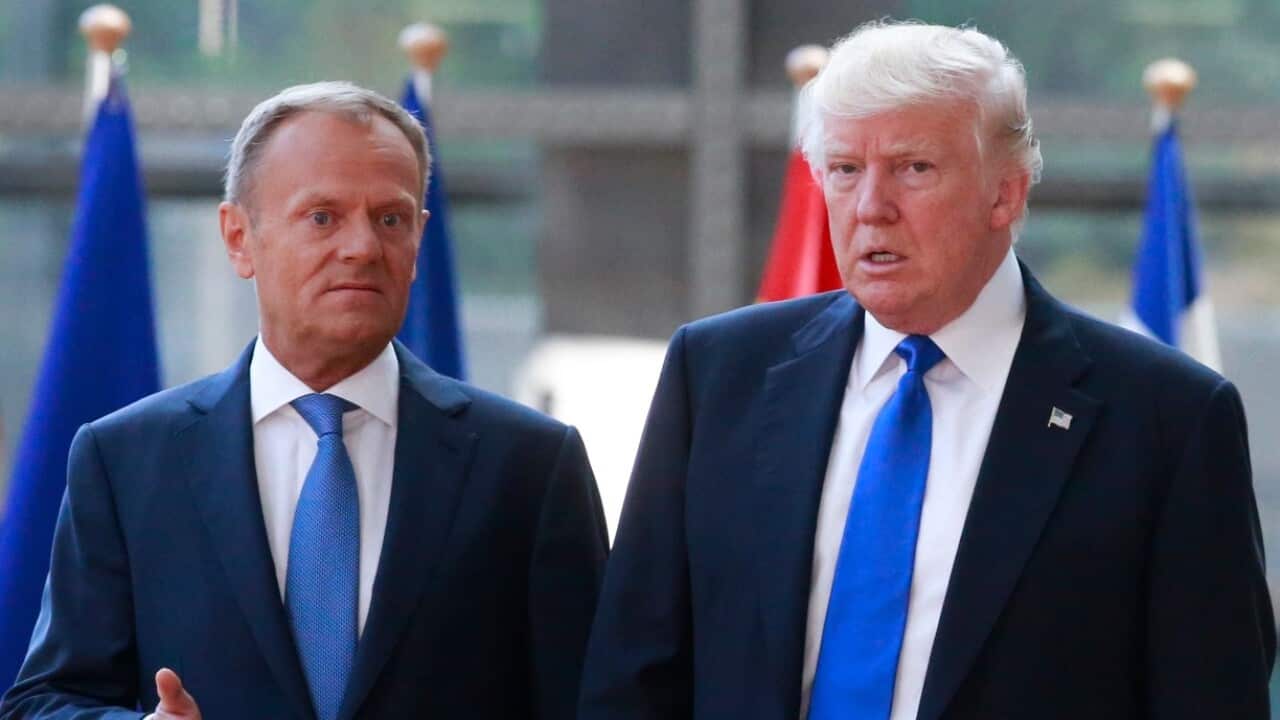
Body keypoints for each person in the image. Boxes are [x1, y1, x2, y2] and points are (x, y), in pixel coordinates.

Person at [578, 20, 1275, 720]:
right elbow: (633, 674)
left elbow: (1211, 695)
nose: (870, 209)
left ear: (1005, 194)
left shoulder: (1167, 418)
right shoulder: (720, 373)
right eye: (846, 170)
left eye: (914, 169)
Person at [1, 81, 608, 720]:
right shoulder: (125, 459)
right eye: (323, 216)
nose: (362, 247)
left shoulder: (530, 465)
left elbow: (597, 701)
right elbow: (47, 699)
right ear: (239, 237)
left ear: (419, 239)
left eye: (390, 218)